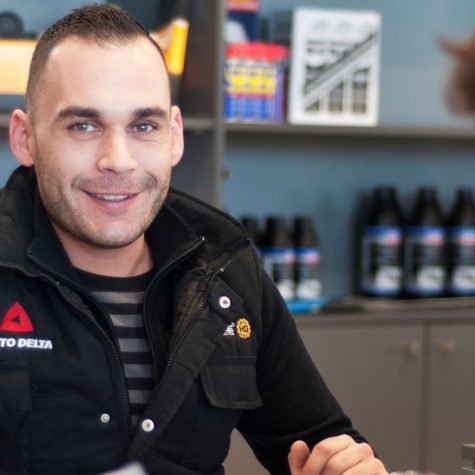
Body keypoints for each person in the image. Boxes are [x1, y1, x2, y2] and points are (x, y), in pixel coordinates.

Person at [0, 4, 388, 475]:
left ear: (175, 136)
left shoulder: (224, 267)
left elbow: (319, 443)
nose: (118, 160)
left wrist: (344, 464)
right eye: (83, 125)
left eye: (144, 126)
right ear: (25, 138)